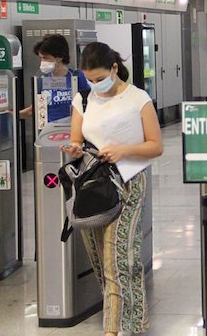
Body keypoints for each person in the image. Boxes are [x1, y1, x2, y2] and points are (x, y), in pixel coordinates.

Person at [61, 42, 163, 335]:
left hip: (129, 184)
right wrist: (75, 149)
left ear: (115, 69)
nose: (95, 85)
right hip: (95, 188)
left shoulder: (137, 98)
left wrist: (123, 150)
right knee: (100, 261)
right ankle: (135, 319)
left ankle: (115, 330)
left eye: (100, 78)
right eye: (89, 80)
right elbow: (77, 139)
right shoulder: (82, 100)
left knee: (119, 258)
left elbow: (156, 146)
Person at [20, 33, 90, 121]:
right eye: (40, 58)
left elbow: (91, 103)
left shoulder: (78, 77)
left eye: (46, 58)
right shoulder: (41, 82)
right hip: (50, 131)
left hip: (73, 128)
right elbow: (36, 110)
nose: (42, 62)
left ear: (59, 57)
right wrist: (13, 114)